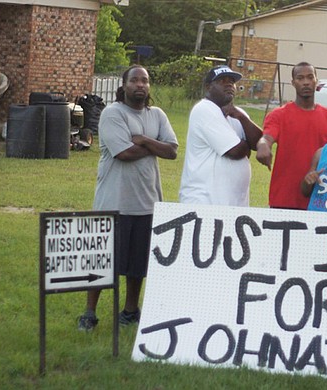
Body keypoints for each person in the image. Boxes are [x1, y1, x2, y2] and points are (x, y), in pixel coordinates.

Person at [78, 65, 178, 331]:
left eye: (145, 80)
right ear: (123, 86)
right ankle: (89, 313)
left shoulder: (157, 114)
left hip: (147, 204)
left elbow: (172, 152)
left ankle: (130, 311)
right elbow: (124, 153)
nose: (140, 85)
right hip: (114, 203)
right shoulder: (112, 113)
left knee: (138, 265)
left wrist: (143, 139)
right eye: (134, 80)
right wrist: (155, 145)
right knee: (103, 262)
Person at [256, 62, 327, 209]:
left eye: (310, 77)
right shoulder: (278, 115)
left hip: (320, 199)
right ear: (293, 83)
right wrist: (263, 145)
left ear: (316, 81)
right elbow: (267, 137)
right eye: (300, 78)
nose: (306, 82)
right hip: (284, 198)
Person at [179, 65, 263, 205]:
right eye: (222, 81)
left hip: (232, 201)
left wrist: (242, 118)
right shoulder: (204, 109)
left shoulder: (238, 113)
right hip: (205, 200)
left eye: (231, 81)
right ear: (208, 87)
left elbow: (259, 143)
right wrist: (245, 146)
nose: (229, 84)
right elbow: (235, 151)